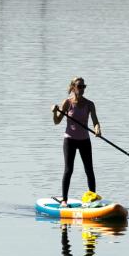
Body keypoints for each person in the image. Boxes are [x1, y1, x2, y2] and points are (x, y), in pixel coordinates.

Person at [51, 76, 102, 207]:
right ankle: (64, 201)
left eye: (83, 86)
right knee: (69, 170)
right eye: (79, 86)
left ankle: (93, 199)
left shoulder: (90, 104)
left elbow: (95, 121)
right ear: (73, 88)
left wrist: (97, 129)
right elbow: (57, 121)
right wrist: (54, 112)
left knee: (89, 170)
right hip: (70, 140)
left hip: (84, 140)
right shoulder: (67, 103)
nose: (82, 89)